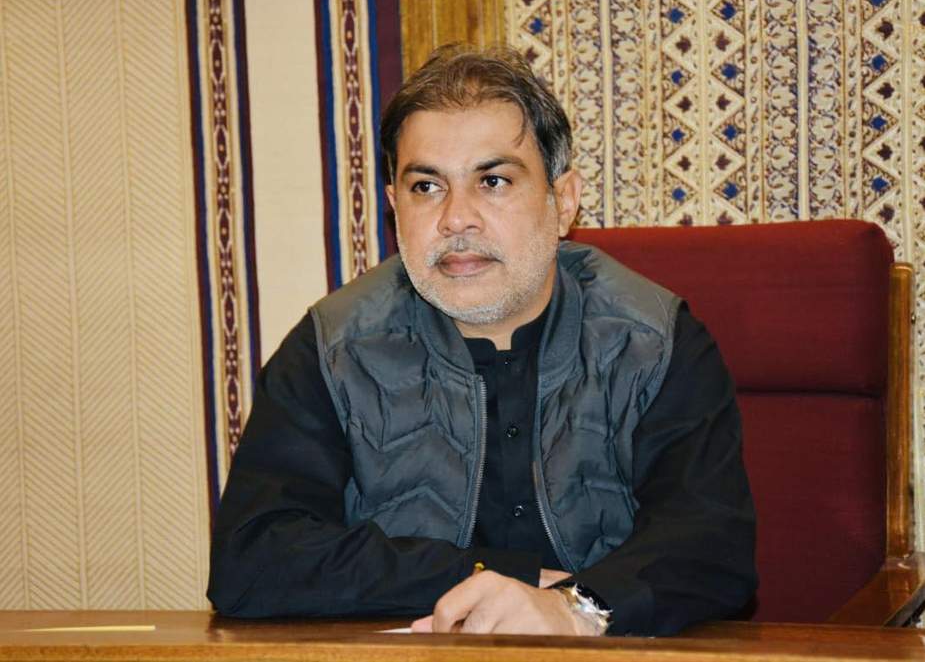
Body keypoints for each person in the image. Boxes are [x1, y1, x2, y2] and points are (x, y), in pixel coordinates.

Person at [207, 44, 757, 636]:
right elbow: (252, 559)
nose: (456, 218)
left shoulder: (654, 339)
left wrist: (575, 608)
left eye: (493, 181)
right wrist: (499, 576)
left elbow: (711, 547)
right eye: (426, 187)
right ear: (394, 207)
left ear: (563, 201)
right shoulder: (333, 348)